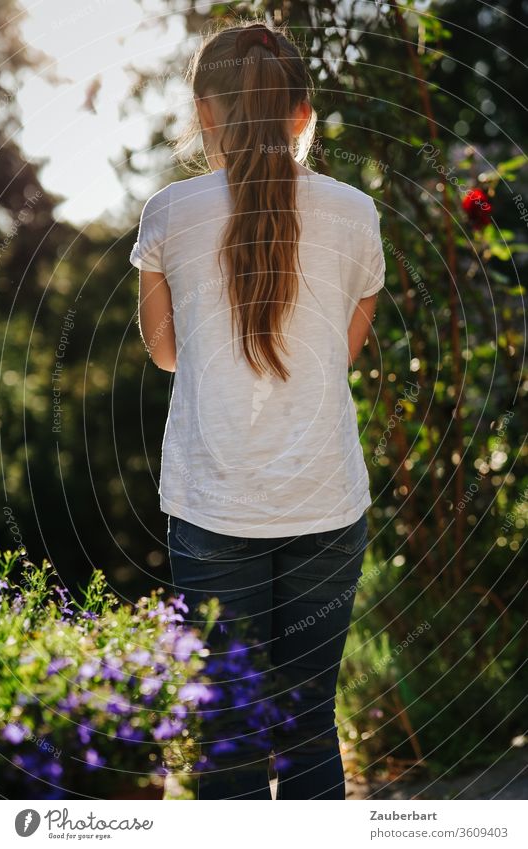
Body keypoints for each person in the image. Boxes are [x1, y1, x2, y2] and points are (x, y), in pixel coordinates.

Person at [129, 20, 385, 800]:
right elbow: (337, 353)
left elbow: (167, 352)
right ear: (302, 115)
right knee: (308, 724)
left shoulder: (169, 212)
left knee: (230, 731)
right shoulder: (355, 213)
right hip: (326, 503)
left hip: (213, 511)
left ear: (205, 115)